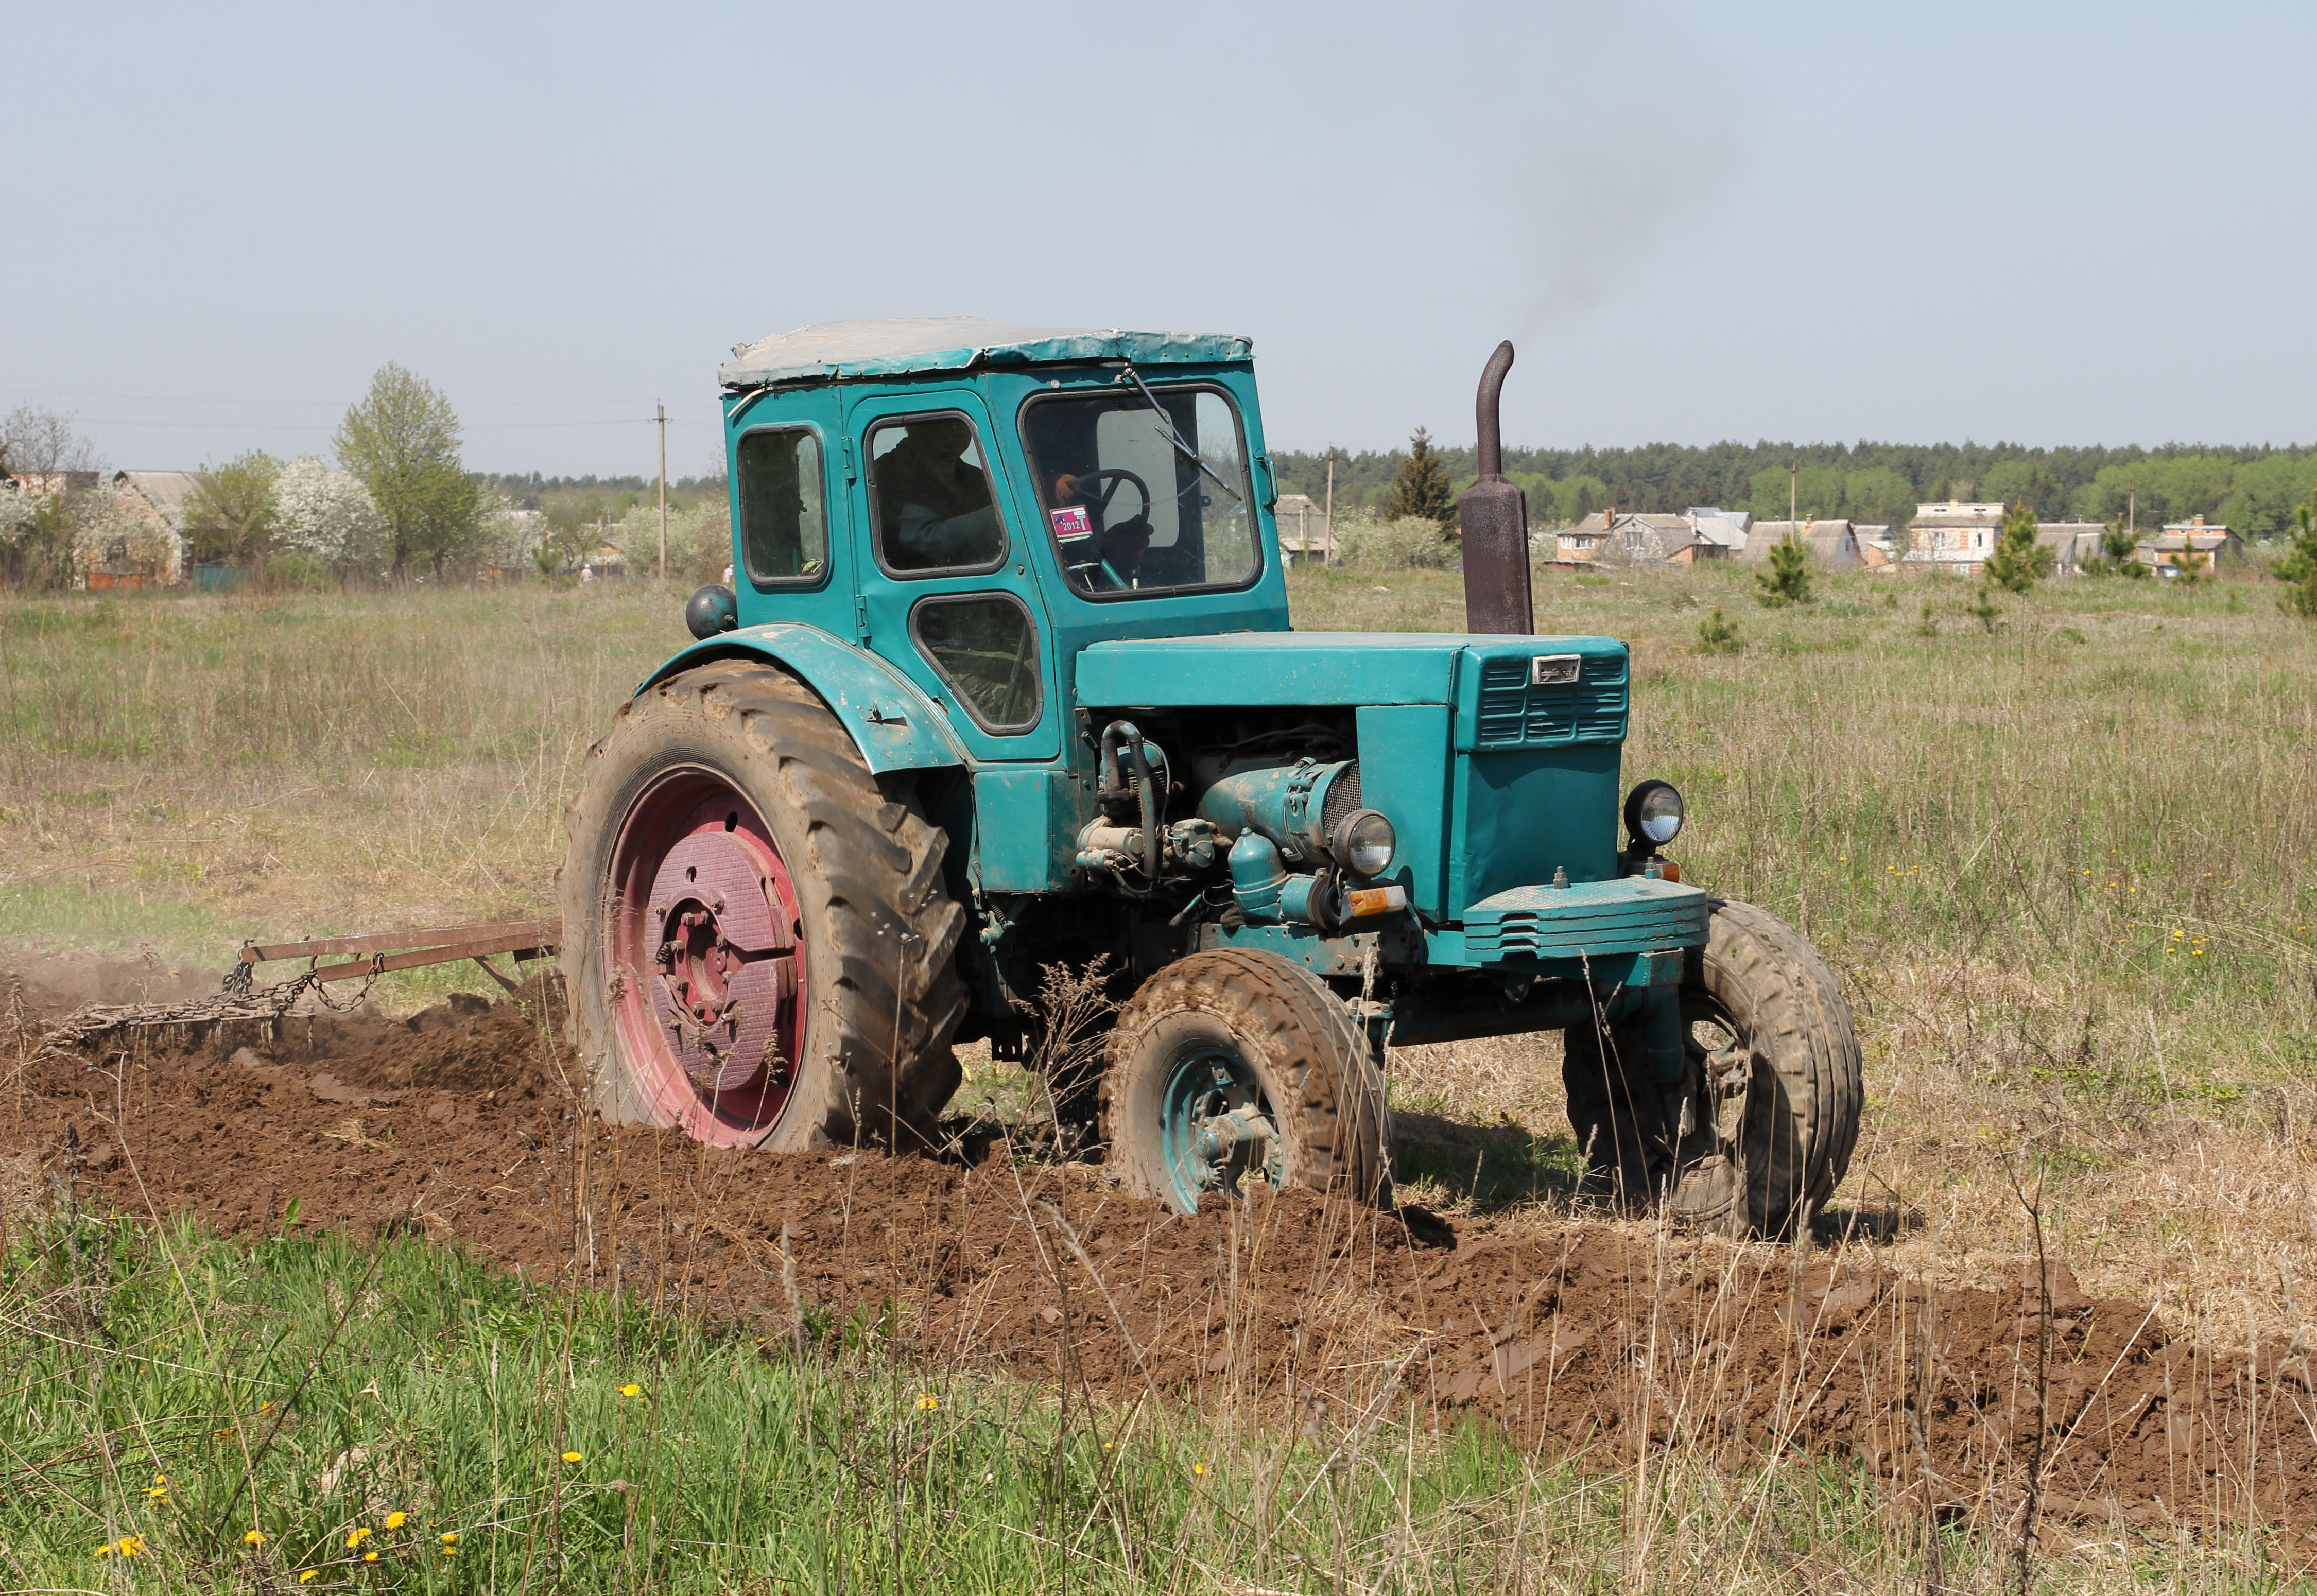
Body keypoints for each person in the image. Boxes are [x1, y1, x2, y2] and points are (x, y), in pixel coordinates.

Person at [875, 419, 1000, 567]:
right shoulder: (884, 474)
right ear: (918, 425)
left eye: (965, 423)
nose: (961, 429)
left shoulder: (978, 478)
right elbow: (925, 540)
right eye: (951, 422)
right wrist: (1001, 514)